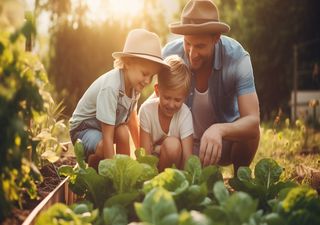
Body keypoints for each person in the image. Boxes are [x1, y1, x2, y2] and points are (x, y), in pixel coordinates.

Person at [162, 0, 260, 173]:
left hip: (223, 144)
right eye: (188, 43)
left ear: (216, 38)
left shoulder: (237, 58)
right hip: (185, 145)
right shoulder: (169, 56)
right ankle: (174, 182)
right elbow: (156, 104)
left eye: (200, 46)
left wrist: (219, 130)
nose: (192, 54)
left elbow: (253, 122)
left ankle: (240, 181)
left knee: (250, 136)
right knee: (170, 145)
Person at [69, 29, 169, 169]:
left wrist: (142, 157)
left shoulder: (134, 87)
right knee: (105, 147)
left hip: (102, 130)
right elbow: (108, 136)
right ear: (127, 63)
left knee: (123, 131)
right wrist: (113, 172)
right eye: (145, 73)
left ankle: (125, 172)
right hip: (83, 129)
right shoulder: (111, 88)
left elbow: (132, 122)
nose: (147, 81)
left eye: (151, 76)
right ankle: (96, 166)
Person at [138, 55, 193, 171]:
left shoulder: (185, 115)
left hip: (173, 170)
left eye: (177, 100)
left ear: (185, 97)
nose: (171, 105)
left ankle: (167, 185)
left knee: (172, 145)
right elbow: (145, 156)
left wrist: (186, 183)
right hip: (151, 168)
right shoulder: (146, 111)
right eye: (167, 98)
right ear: (157, 91)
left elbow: (188, 158)